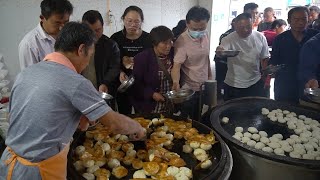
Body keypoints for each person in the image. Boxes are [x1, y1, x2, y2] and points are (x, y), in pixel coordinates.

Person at [0, 22, 144, 180]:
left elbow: (30, 117)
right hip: (37, 171)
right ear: (81, 49)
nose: (88, 62)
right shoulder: (76, 82)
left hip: (7, 163)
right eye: (89, 56)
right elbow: (115, 124)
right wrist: (137, 127)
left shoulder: (26, 73)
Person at [270, 6, 319, 104]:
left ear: (309, 19)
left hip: (309, 85)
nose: (300, 23)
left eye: (303, 19)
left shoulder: (315, 37)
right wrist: (270, 68)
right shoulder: (280, 39)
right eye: (296, 19)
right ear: (289, 20)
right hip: (285, 85)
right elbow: (274, 62)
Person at [217, 13, 270, 101]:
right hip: (233, 84)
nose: (245, 30)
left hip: (255, 82)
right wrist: (220, 51)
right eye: (241, 27)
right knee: (231, 112)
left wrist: (265, 77)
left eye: (248, 27)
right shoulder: (228, 39)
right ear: (235, 25)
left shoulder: (260, 37)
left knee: (254, 110)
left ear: (252, 24)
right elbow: (222, 49)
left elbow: (264, 58)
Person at [171, 6, 212, 120]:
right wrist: (175, 82)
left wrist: (209, 77)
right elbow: (176, 66)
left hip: (203, 84)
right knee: (186, 118)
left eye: (202, 28)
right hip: (189, 87)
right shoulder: (182, 41)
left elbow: (206, 58)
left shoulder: (206, 34)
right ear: (188, 24)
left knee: (199, 115)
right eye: (195, 29)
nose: (199, 32)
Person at [110, 6, 152, 114]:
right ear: (123, 19)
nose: (133, 25)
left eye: (137, 21)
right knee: (125, 115)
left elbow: (152, 62)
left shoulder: (148, 39)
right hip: (123, 84)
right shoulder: (115, 38)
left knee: (143, 116)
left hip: (142, 85)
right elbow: (111, 62)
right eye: (129, 21)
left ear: (141, 21)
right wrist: (120, 71)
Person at [18, 0, 73, 70]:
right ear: (42, 18)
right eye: (57, 23)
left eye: (66, 22)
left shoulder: (69, 34)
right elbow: (30, 78)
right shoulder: (29, 45)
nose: (62, 27)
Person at [131, 26, 174, 113]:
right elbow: (136, 84)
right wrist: (152, 94)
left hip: (168, 104)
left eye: (170, 42)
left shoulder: (173, 55)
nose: (168, 46)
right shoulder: (142, 58)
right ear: (155, 43)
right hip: (149, 106)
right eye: (164, 43)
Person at [82, 10, 120, 98]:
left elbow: (114, 68)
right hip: (82, 91)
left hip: (102, 90)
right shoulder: (77, 45)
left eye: (98, 30)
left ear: (103, 27)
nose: (94, 34)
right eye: (90, 31)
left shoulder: (110, 45)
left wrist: (105, 83)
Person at [214, 18, 236, 99]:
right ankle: (218, 95)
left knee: (223, 78)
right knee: (220, 78)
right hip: (221, 61)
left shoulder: (238, 34)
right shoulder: (227, 35)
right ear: (234, 23)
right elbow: (222, 48)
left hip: (228, 60)